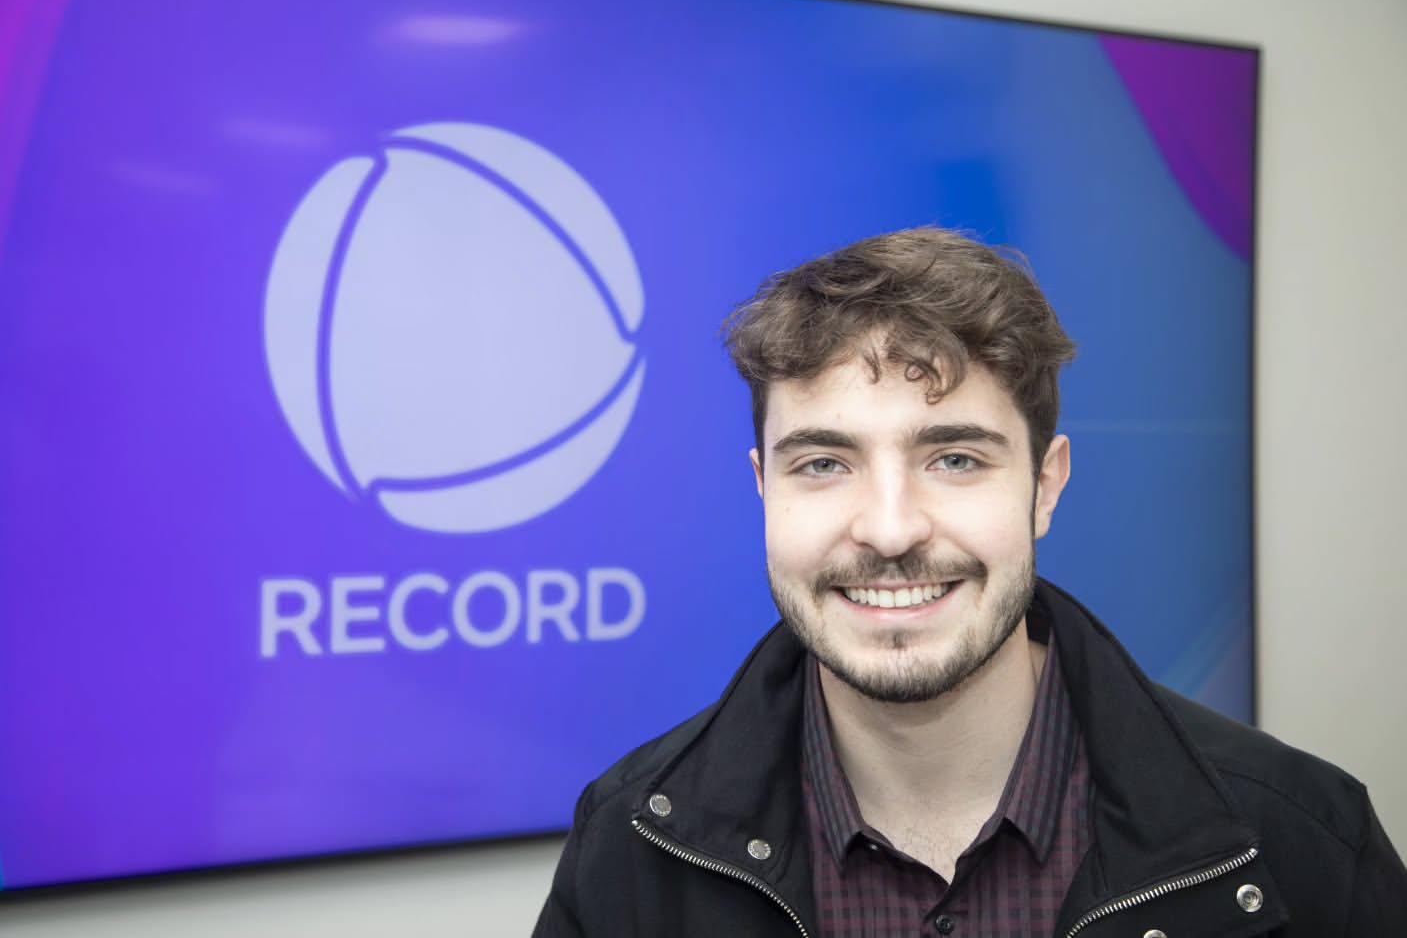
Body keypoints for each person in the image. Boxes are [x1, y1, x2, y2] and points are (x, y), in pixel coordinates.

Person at [532, 227, 1407, 937]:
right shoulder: (629, 853)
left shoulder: (1301, 841)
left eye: (953, 457)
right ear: (764, 488)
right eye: (824, 463)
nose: (889, 529)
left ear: (1045, 486)